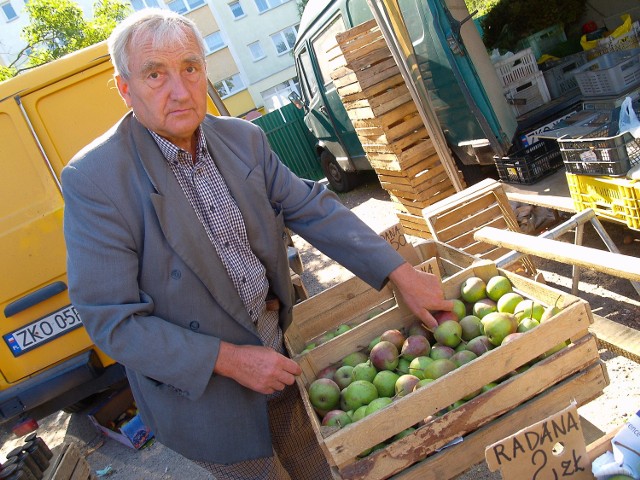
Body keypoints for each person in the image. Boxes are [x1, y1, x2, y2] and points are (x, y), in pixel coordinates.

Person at [61, 8, 453, 480]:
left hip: (278, 354)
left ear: (207, 72)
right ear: (126, 88)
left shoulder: (242, 139)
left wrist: (400, 271)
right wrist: (229, 360)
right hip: (207, 392)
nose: (180, 90)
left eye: (190, 67)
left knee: (321, 466)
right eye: (154, 74)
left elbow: (312, 208)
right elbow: (112, 321)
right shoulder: (97, 179)